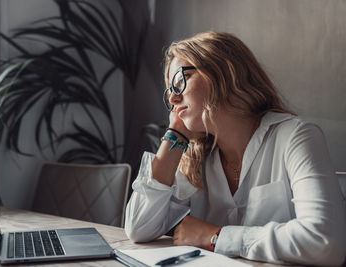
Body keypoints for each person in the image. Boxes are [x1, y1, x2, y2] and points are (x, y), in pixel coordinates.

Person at [124, 32, 346, 266]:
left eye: (180, 81)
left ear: (222, 72)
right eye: (169, 89)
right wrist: (175, 135)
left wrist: (216, 236)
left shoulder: (296, 137)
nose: (173, 97)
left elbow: (325, 243)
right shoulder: (195, 158)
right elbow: (139, 229)